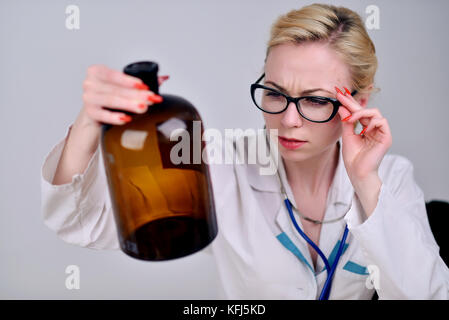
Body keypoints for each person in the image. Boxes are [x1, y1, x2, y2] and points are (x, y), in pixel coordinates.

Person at [40, 3, 449, 299]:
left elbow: (427, 294)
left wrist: (364, 181)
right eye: (275, 93)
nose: (288, 120)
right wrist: (90, 124)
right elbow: (84, 224)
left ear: (359, 99)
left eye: (316, 100)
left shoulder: (390, 179)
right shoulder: (219, 165)